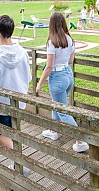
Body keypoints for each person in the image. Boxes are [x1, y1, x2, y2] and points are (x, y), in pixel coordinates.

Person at [36, 12, 89, 153]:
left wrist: (40, 83)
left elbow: (49, 66)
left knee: (63, 110)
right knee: (57, 104)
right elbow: (70, 60)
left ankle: (81, 141)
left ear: (51, 24)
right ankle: (53, 131)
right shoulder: (70, 39)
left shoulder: (51, 42)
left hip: (57, 78)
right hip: (68, 75)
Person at [0, 15, 32, 175]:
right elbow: (29, 77)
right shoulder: (24, 53)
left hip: (3, 105)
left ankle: (21, 161)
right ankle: (18, 162)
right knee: (15, 130)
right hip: (20, 102)